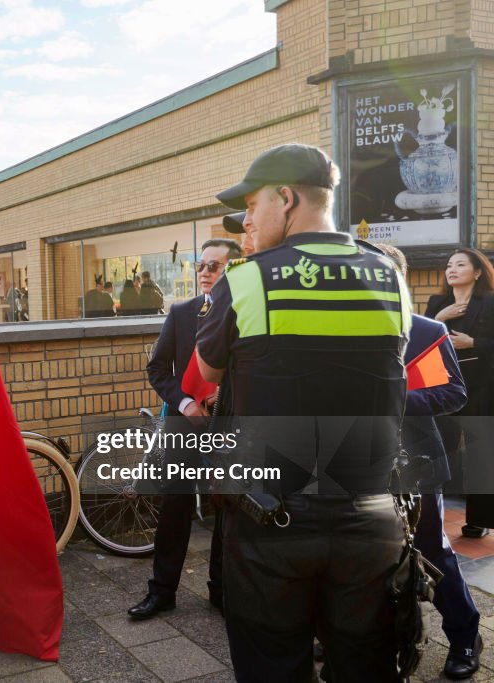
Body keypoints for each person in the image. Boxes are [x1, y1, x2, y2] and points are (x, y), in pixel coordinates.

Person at [197, 143, 410, 680]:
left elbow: (203, 375)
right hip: (370, 512)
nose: (246, 219)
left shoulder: (246, 280)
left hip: (273, 517)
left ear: (286, 197)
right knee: (366, 666)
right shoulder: (390, 278)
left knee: (273, 663)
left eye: (251, 205)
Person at [377, 244, 483, 680]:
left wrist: (395, 398)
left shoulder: (425, 331)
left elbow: (454, 393)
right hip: (356, 463)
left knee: (432, 552)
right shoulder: (340, 335)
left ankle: (464, 637)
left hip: (415, 460)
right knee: (365, 555)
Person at [127, 238, 240, 620]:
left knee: (227, 511)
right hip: (184, 426)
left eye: (215, 266)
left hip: (228, 428)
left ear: (233, 270)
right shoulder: (180, 313)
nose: (205, 273)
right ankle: (162, 592)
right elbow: (158, 370)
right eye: (201, 266)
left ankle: (222, 591)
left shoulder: (246, 313)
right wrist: (187, 402)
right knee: (174, 509)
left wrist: (225, 395)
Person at [425, 248, 494, 538]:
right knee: (436, 449)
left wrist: (473, 342)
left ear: (477, 271)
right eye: (449, 265)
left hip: (481, 385)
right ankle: (428, 515)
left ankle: (478, 520)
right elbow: (420, 339)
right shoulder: (437, 302)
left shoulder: (490, 302)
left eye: (460, 264)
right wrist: (440, 317)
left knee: (481, 452)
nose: (451, 269)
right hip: (443, 385)